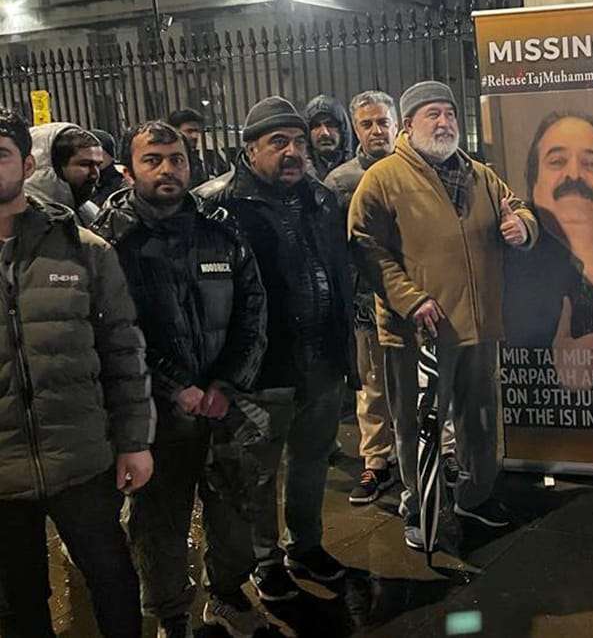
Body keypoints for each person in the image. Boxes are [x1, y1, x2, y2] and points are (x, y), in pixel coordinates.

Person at [92, 120, 270, 638]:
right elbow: (111, 334)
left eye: (177, 159)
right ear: (128, 169)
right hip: (154, 415)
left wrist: (227, 384)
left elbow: (253, 311)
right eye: (153, 160)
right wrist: (178, 389)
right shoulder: (108, 243)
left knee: (235, 510)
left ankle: (228, 595)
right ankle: (173, 618)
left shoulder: (220, 230)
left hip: (223, 407)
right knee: (159, 525)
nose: (167, 169)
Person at [349, 81, 539, 547]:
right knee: (417, 425)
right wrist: (410, 299)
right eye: (432, 114)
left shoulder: (479, 175)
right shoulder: (383, 178)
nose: (444, 122)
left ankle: (474, 497)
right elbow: (364, 245)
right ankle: (420, 506)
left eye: (450, 114)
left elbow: (518, 208)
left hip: (477, 326)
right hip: (419, 332)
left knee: (480, 419)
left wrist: (524, 226)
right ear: (409, 125)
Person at [0, 108, 154, 638]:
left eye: (0, 153)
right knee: (18, 597)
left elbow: (122, 350)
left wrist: (135, 441)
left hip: (81, 458)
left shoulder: (82, 248)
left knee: (112, 579)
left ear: (25, 162)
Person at [196, 96, 356, 601]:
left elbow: (337, 269)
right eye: (278, 142)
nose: (293, 152)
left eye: (299, 142)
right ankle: (265, 561)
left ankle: (305, 545)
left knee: (310, 461)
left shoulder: (321, 197)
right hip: (261, 370)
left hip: (323, 359)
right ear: (249, 148)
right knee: (256, 474)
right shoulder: (218, 205)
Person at [327, 90, 459, 505]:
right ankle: (376, 459)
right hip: (368, 304)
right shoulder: (342, 181)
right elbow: (342, 245)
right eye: (366, 124)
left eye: (382, 121)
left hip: (423, 301)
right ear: (356, 129)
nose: (376, 130)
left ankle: (446, 453)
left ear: (396, 123)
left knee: (434, 383)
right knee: (374, 387)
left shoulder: (427, 168)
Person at [505, 112, 593, 351]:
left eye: (591, 164)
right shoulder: (507, 279)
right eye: (557, 161)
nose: (574, 174)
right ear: (533, 188)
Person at [25, 123, 105, 223]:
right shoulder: (25, 218)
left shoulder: (90, 212)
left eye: (98, 165)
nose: (95, 174)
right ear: (54, 166)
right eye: (84, 164)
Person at [304, 94, 354, 181]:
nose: (324, 133)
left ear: (343, 130)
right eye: (316, 126)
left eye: (330, 125)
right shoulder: (297, 176)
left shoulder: (364, 174)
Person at [167, 107, 216, 186]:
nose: (195, 136)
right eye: (189, 131)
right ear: (174, 131)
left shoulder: (195, 158)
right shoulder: (168, 158)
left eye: (197, 131)